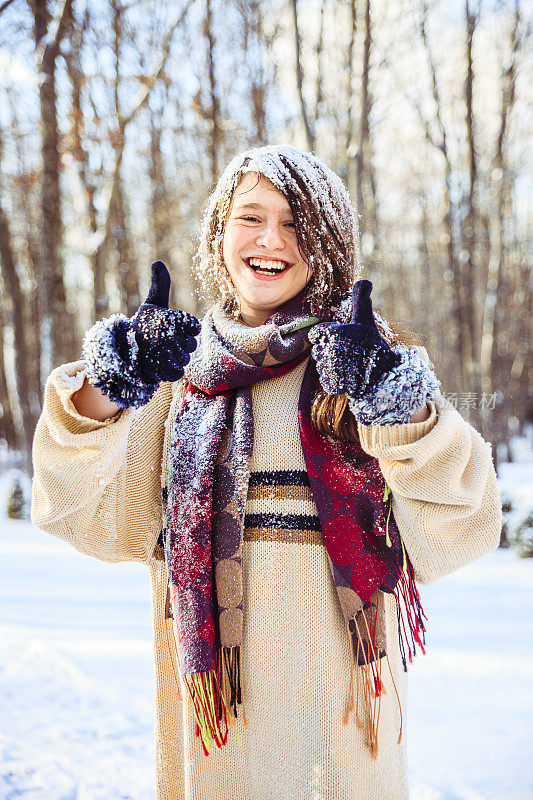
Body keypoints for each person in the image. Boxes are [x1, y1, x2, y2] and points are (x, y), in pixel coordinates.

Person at [31, 145, 502, 800]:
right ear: (219, 233)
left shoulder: (365, 364)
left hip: (338, 733)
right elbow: (87, 516)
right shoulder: (173, 371)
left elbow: (462, 527)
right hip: (215, 730)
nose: (270, 240)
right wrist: (110, 388)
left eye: (296, 222)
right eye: (249, 217)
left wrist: (398, 405)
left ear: (329, 243)